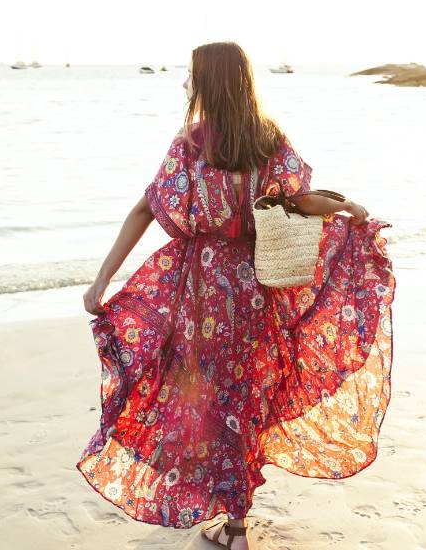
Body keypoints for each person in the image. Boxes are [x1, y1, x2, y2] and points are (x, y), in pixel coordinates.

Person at [77, 42, 395, 549]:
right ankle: (237, 525)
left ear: (209, 82)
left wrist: (102, 281)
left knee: (203, 400)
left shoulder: (192, 141)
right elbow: (299, 201)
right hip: (251, 291)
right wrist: (350, 207)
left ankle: (232, 521)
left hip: (200, 291)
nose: (185, 83)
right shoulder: (268, 139)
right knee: (240, 399)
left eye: (190, 75)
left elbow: (144, 211)